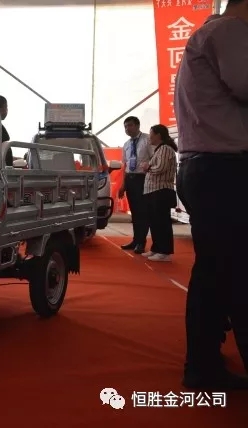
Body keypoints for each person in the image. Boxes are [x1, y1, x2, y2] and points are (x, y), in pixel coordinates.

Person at [174, 0, 248, 389]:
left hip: (209, 168)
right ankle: (202, 367)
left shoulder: (209, 34)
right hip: (225, 169)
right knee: (230, 272)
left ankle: (203, 365)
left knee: (217, 271)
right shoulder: (230, 30)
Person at [139, 125, 177, 262]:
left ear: (158, 135)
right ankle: (156, 248)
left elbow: (161, 168)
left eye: (151, 134)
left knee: (162, 222)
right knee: (154, 221)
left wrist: (147, 167)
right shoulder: (159, 149)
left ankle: (165, 251)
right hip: (152, 190)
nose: (149, 137)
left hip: (161, 191)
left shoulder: (165, 149)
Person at [117, 116, 153, 254]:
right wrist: (123, 185)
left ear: (137, 125)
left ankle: (141, 242)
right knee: (135, 212)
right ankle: (135, 240)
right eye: (125, 126)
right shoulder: (126, 144)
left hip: (143, 179)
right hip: (130, 179)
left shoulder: (147, 139)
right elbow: (125, 166)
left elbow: (153, 159)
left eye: (130, 125)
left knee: (142, 211)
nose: (127, 128)